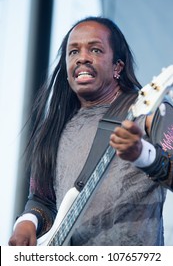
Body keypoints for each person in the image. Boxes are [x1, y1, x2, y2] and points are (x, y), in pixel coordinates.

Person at [8, 16, 173, 246]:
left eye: (95, 50)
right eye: (73, 52)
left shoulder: (149, 112)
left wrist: (142, 155)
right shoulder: (53, 128)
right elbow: (41, 199)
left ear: (117, 66)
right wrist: (27, 222)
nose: (82, 58)